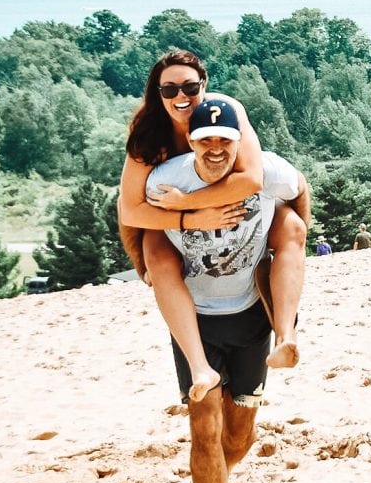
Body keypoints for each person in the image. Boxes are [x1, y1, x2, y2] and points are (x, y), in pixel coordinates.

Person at [146, 99, 310, 483]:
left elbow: (300, 190)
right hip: (195, 318)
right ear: (191, 142)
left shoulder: (269, 172)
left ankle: (286, 335)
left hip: (249, 313)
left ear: (240, 142)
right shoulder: (166, 181)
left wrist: (291, 238)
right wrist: (144, 260)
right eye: (206, 140)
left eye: (225, 140)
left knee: (238, 438)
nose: (215, 148)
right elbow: (133, 216)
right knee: (204, 430)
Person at [118, 50, 307, 404]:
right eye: (169, 89)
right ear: (157, 93)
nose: (181, 96)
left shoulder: (227, 111)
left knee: (292, 227)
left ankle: (286, 336)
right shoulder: (148, 133)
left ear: (204, 85)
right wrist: (183, 224)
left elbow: (252, 179)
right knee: (154, 252)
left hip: (216, 204)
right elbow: (130, 211)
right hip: (170, 216)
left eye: (190, 87)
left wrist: (190, 203)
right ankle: (200, 367)